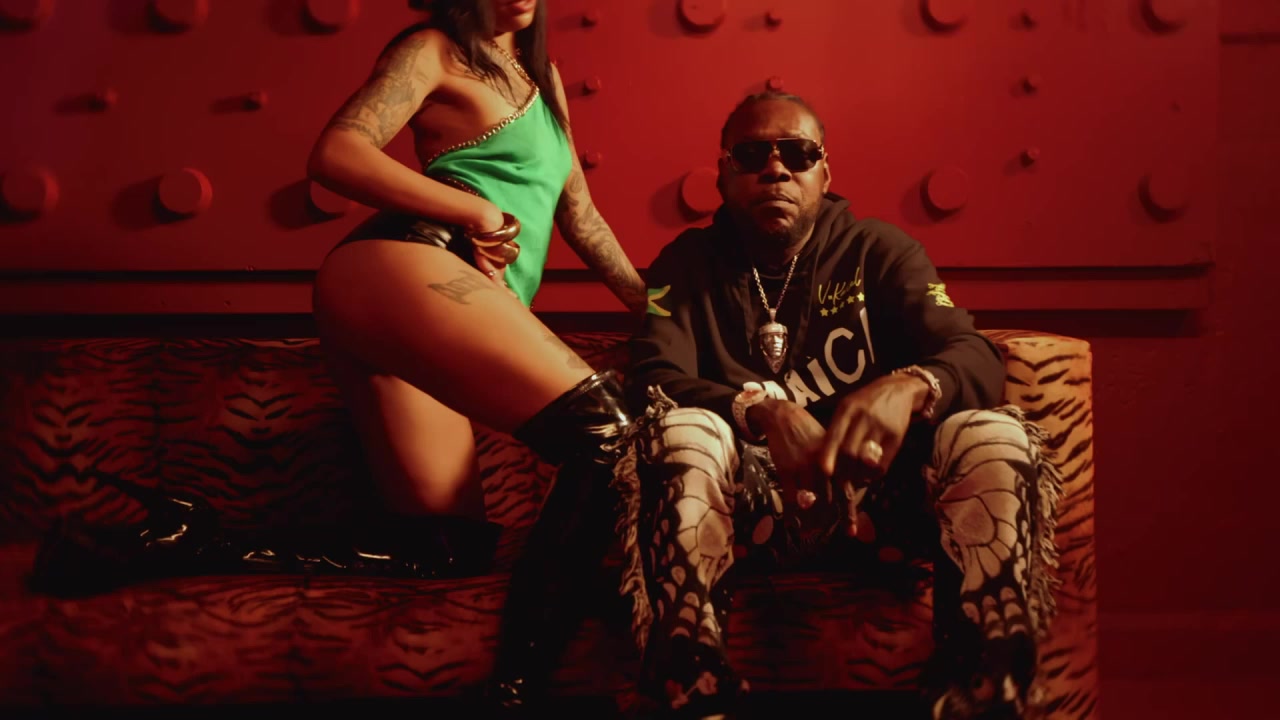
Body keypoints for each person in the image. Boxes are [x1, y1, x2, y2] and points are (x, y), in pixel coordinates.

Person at [30, 0, 645, 712]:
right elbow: (337, 154)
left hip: (428, 305)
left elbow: (582, 216)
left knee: (446, 547)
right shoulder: (433, 49)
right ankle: (517, 693)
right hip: (403, 263)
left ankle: (179, 538)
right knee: (609, 431)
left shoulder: (543, 76)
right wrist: (474, 210)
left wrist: (662, 310)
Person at [610, 91, 1064, 719]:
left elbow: (974, 354)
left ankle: (984, 680)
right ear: (724, 175)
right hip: (749, 513)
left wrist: (909, 385)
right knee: (679, 429)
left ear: (825, 172)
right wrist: (761, 412)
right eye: (752, 155)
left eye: (798, 153)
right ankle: (691, 681)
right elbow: (651, 377)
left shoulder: (881, 251)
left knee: (991, 433)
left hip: (880, 502)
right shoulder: (683, 266)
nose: (776, 169)